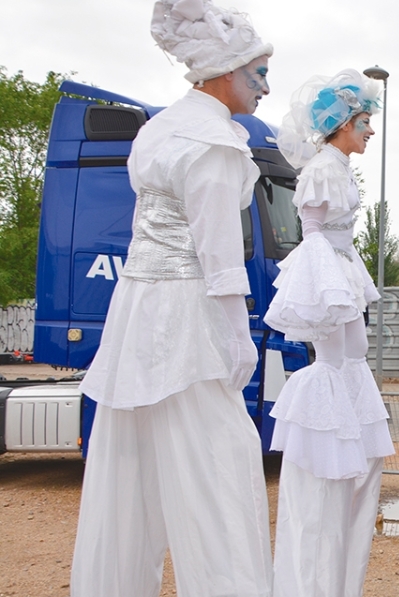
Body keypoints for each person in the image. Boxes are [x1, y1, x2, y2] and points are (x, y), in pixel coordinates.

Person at [72, 2, 274, 595]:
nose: (265, 86)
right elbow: (218, 253)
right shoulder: (213, 142)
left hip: (136, 312)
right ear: (223, 72)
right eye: (258, 72)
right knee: (217, 468)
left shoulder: (158, 129)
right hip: (187, 314)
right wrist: (239, 334)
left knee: (131, 470)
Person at [264, 69, 394, 597]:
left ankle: (348, 432)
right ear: (341, 123)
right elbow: (313, 231)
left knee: (352, 356)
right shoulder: (323, 169)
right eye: (364, 122)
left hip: (340, 264)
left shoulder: (338, 166)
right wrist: (327, 283)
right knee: (334, 357)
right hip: (328, 267)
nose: (370, 131)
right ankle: (329, 435)